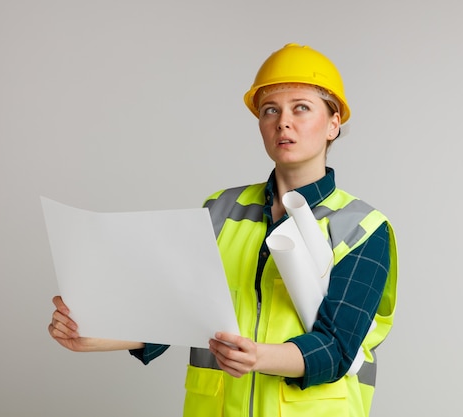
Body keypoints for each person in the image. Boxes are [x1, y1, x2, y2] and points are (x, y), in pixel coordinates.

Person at [49, 43, 398, 417]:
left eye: (301, 107)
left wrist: (257, 357)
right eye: (270, 110)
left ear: (333, 124)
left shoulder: (362, 228)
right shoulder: (220, 211)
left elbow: (336, 348)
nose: (283, 121)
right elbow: (174, 313)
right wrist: (92, 335)